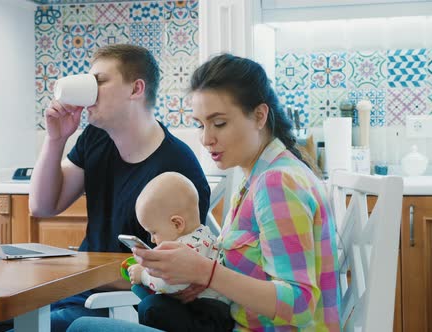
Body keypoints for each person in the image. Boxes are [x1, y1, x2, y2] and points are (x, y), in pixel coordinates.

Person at [0, 44, 210, 332]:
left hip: (113, 304)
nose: (89, 89)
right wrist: (56, 139)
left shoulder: (176, 171)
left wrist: (73, 273)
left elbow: (176, 275)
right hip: (72, 290)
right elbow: (43, 205)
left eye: (100, 81)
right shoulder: (96, 139)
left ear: (136, 89)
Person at [68, 54, 341, 332]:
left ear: (260, 115)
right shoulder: (259, 176)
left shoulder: (278, 183)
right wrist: (198, 278)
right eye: (200, 124)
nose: (206, 138)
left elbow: (300, 305)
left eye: (219, 123)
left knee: (81, 328)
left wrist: (206, 273)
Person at [128, 171, 233, 332]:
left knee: (151, 308)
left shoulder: (185, 249)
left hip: (207, 315)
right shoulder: (204, 235)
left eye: (154, 232)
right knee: (147, 299)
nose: (152, 240)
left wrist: (143, 275)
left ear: (177, 224)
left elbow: (170, 282)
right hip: (213, 313)